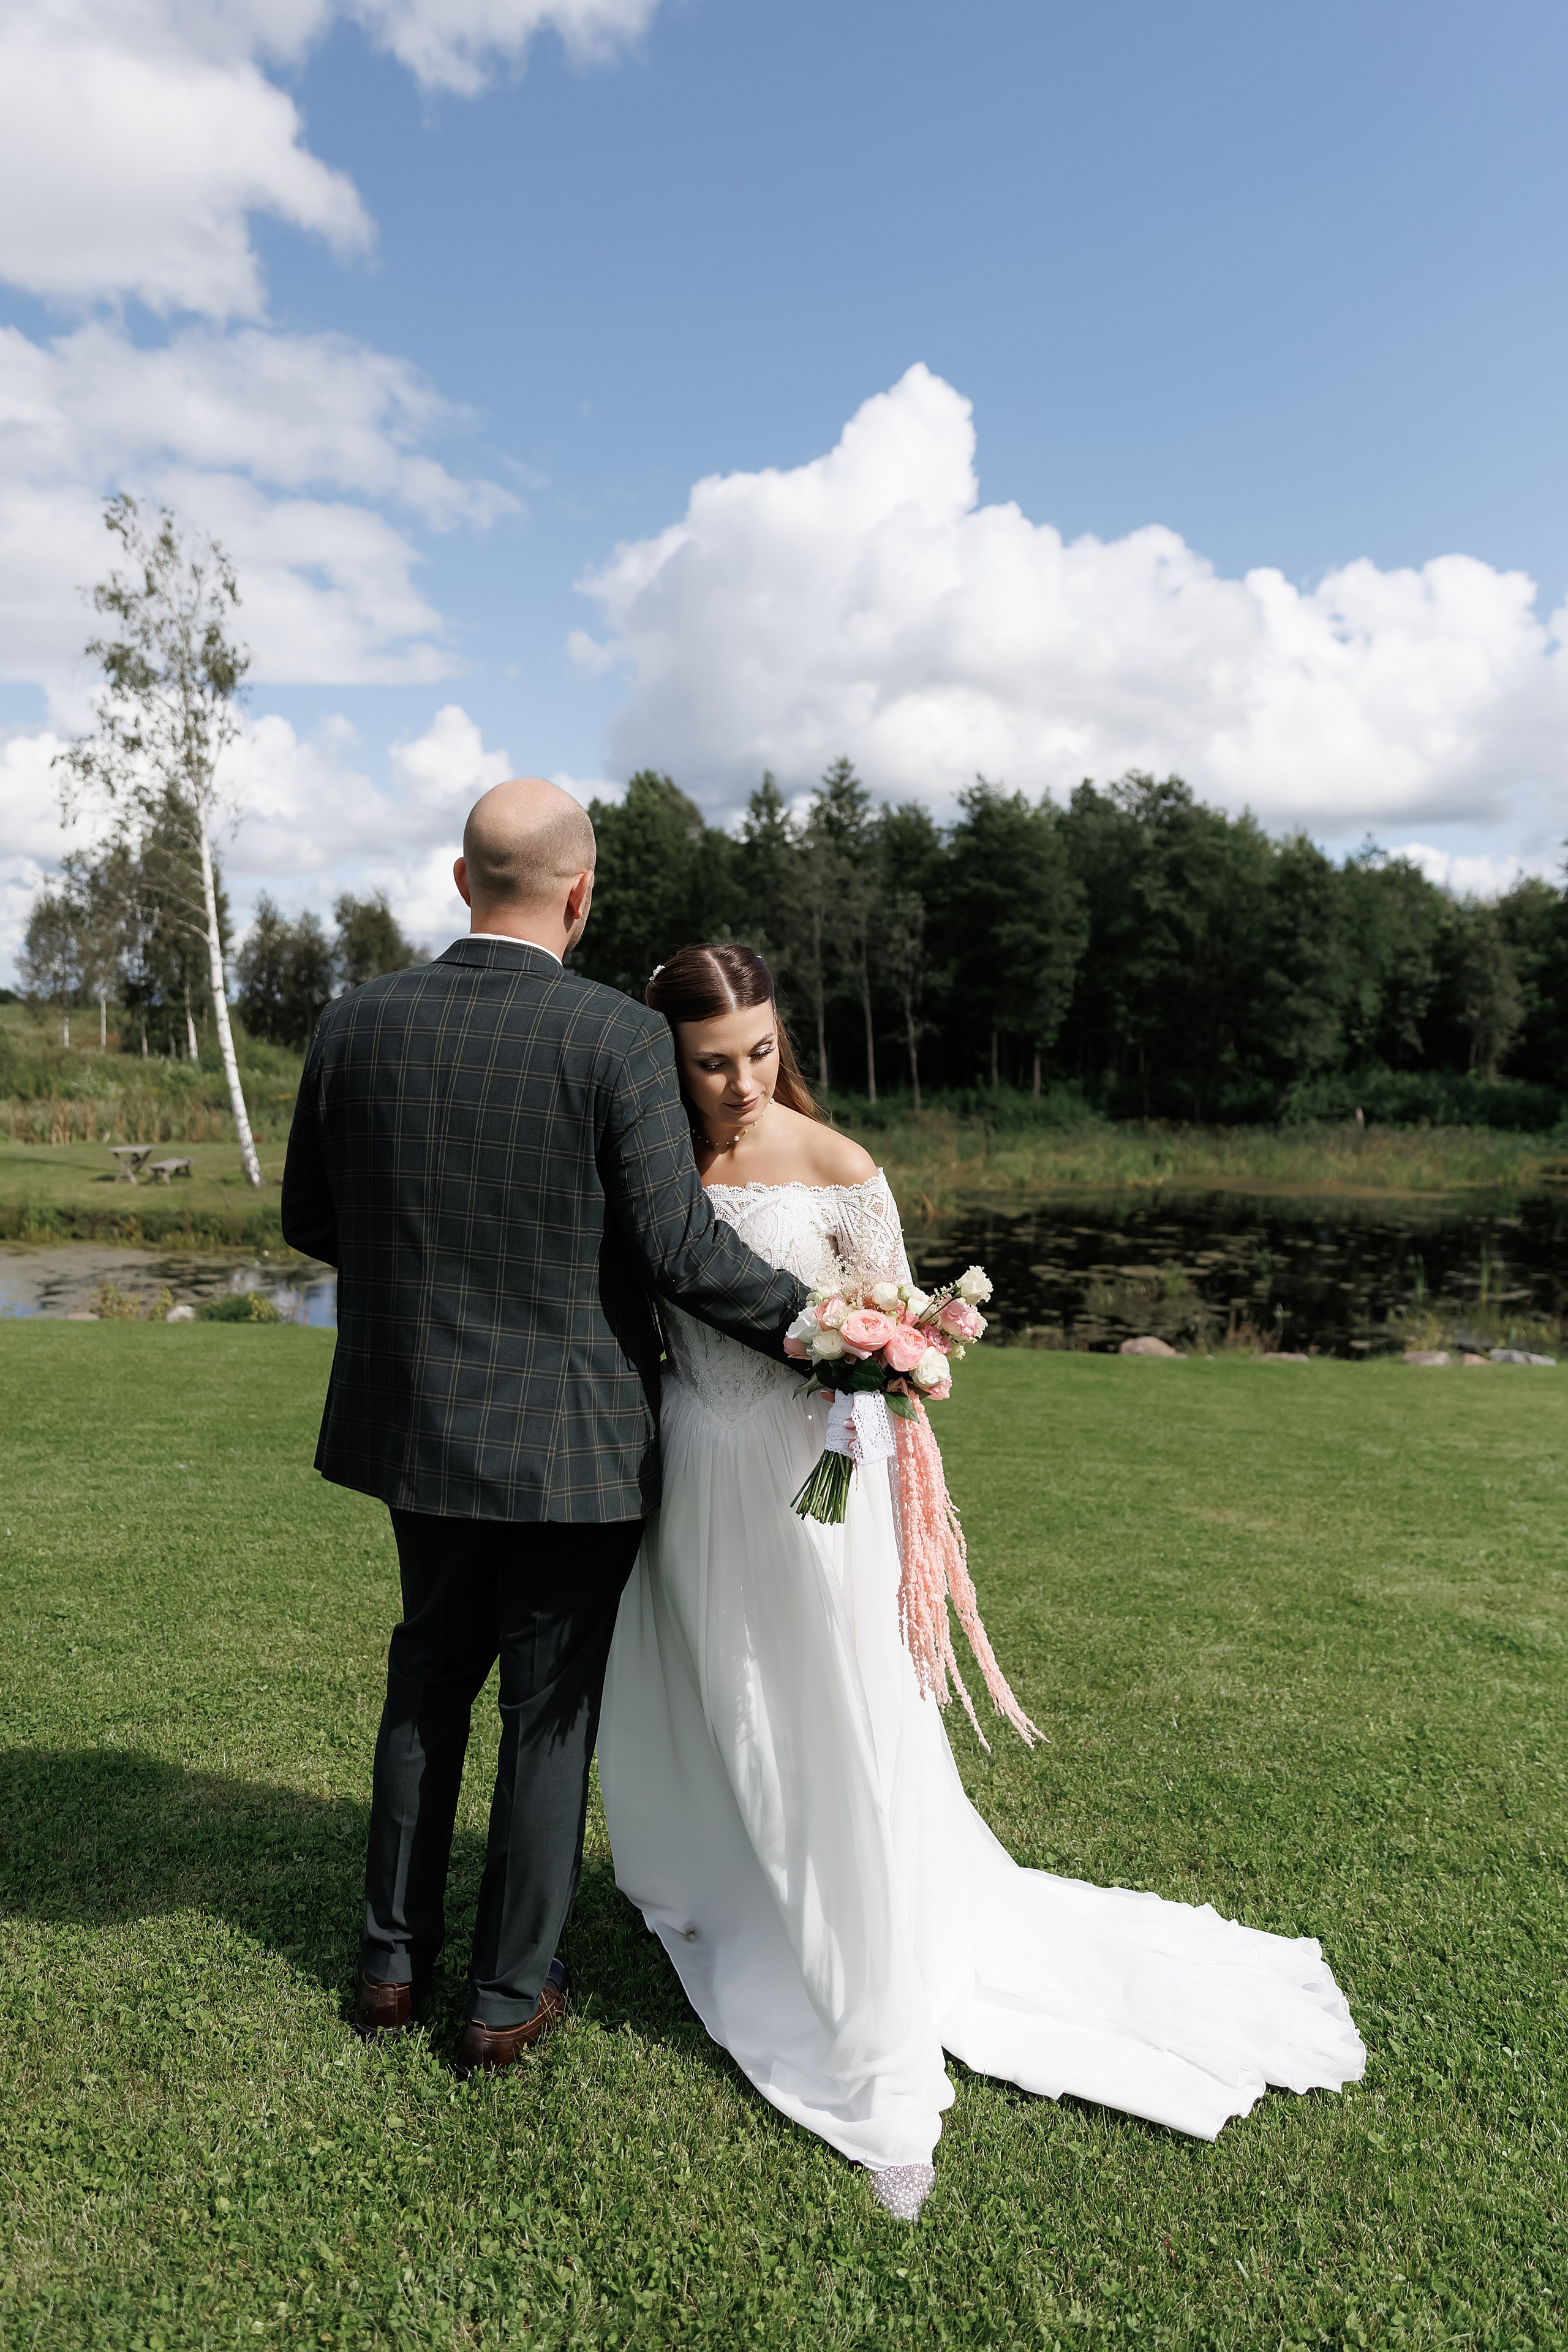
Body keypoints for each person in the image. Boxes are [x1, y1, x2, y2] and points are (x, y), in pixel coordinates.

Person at [597, 941, 1365, 2222]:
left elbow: (891, 1325)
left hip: (810, 1485)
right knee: (713, 1697)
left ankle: (868, 2018)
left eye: (761, 1053)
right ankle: (724, 1891)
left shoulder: (837, 1169)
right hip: (689, 1472)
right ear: (667, 1057)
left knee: (836, 1716)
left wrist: (884, 1359)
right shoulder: (653, 1168)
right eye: (711, 1062)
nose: (740, 1083)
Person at [281, 785, 806, 2073]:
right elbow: (680, 1250)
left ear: (463, 881)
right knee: (545, 1711)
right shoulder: (615, 1038)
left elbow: (309, 1217)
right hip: (573, 1436)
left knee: (426, 1679)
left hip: (418, 1424)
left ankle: (389, 1968)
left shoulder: (354, 1024)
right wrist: (826, 1330)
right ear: (580, 895)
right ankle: (508, 1997)